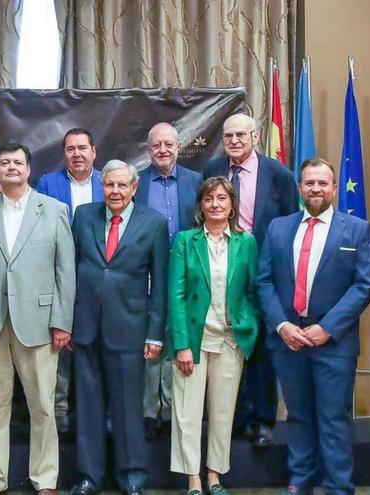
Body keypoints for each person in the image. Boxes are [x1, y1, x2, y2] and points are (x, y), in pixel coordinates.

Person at [256, 157, 370, 495]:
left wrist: (327, 327)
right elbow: (263, 282)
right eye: (309, 183)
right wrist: (281, 325)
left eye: (323, 183)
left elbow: (364, 285)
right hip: (288, 342)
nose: (316, 189)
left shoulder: (356, 230)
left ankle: (338, 485)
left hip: (333, 344)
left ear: (335, 189)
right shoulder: (278, 228)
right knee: (298, 416)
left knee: (334, 420)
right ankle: (300, 479)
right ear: (299, 188)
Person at [0, 142, 75, 495]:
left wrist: (62, 320)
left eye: (18, 162)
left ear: (29, 170)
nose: (11, 167)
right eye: (5, 162)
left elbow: (65, 270)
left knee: (43, 406)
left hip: (40, 323)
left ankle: (45, 480)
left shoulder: (54, 209)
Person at [70, 160, 168, 495]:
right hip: (85, 328)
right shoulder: (83, 215)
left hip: (131, 329)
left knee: (129, 407)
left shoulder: (154, 223)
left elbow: (161, 283)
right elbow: (69, 270)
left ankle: (132, 476)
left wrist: (155, 333)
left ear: (134, 187)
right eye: (109, 185)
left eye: (121, 185)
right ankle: (89, 476)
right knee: (87, 405)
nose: (114, 191)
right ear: (102, 185)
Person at [203, 113, 299, 448]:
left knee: (260, 347)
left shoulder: (280, 176)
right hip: (221, 267)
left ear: (255, 136)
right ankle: (234, 417)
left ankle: (262, 420)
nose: (234, 141)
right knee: (226, 341)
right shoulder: (212, 169)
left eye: (241, 135)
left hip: (263, 272)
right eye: (228, 136)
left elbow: (290, 227)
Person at [168, 177, 260, 495]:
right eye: (209, 199)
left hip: (230, 339)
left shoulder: (246, 242)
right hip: (193, 341)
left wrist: (250, 324)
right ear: (201, 206)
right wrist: (181, 345)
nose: (216, 204)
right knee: (187, 412)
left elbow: (252, 289)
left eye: (222, 198)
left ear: (232, 205)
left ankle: (214, 476)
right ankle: (192, 478)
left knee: (222, 412)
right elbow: (176, 295)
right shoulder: (185, 241)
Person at [135, 122, 202, 438]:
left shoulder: (194, 180)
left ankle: (174, 409)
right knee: (151, 340)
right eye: (156, 145)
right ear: (149, 150)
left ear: (178, 146)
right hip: (147, 271)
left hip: (186, 273)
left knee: (178, 338)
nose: (162, 150)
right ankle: (149, 411)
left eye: (168, 144)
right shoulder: (138, 183)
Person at [35, 127, 104, 434]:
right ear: (63, 154)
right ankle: (59, 412)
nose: (76, 154)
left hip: (98, 278)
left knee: (95, 346)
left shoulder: (108, 182)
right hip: (55, 275)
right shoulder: (48, 183)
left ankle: (95, 414)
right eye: (70, 149)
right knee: (59, 343)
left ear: (93, 152)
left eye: (82, 148)